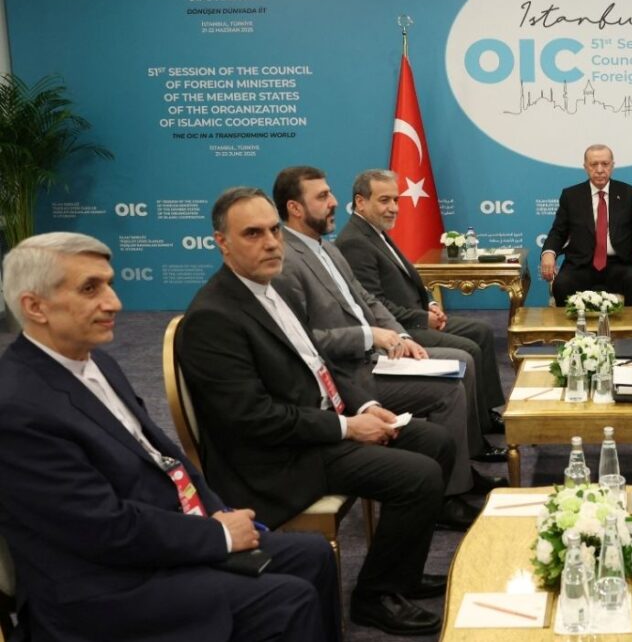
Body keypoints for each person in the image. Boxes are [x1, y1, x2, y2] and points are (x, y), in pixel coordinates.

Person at [0, 232, 339, 641]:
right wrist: (216, 535)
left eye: (109, 284)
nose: (114, 302)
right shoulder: (18, 407)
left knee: (313, 555)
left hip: (159, 535)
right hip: (101, 589)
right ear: (34, 307)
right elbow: (102, 530)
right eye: (90, 289)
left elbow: (167, 458)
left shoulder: (98, 362)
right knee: (287, 599)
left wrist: (216, 515)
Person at [178, 188, 455, 636]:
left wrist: (365, 404)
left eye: (273, 230)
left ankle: (400, 574)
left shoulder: (272, 289)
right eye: (253, 233)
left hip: (317, 423)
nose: (271, 242)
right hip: (279, 457)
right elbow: (252, 419)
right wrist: (346, 427)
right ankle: (374, 597)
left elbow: (316, 365)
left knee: (437, 443)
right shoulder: (214, 316)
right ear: (222, 243)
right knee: (417, 478)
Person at [270, 166, 505, 526]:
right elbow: (303, 342)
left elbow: (368, 300)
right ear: (295, 208)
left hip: (377, 357)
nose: (334, 202)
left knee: (457, 367)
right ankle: (449, 496)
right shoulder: (287, 262)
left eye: (330, 193)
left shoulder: (326, 250)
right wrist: (371, 336)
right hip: (349, 375)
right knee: (451, 384)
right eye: (322, 197)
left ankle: (459, 476)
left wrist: (403, 336)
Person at [336, 168, 509, 443]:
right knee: (468, 349)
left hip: (416, 315)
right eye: (384, 200)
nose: (393, 208)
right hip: (399, 329)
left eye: (396, 200)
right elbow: (375, 306)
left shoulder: (374, 231)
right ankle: (475, 442)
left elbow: (407, 279)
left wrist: (429, 302)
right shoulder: (355, 241)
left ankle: (484, 417)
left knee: (481, 331)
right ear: (360, 202)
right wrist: (420, 318)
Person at [540, 143, 632, 306]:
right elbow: (558, 232)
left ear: (612, 166)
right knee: (562, 284)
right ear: (585, 167)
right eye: (594, 164)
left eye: (605, 164)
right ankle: (570, 332)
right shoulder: (571, 196)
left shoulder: (628, 193)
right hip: (581, 265)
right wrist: (548, 253)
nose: (600, 169)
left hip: (618, 264)